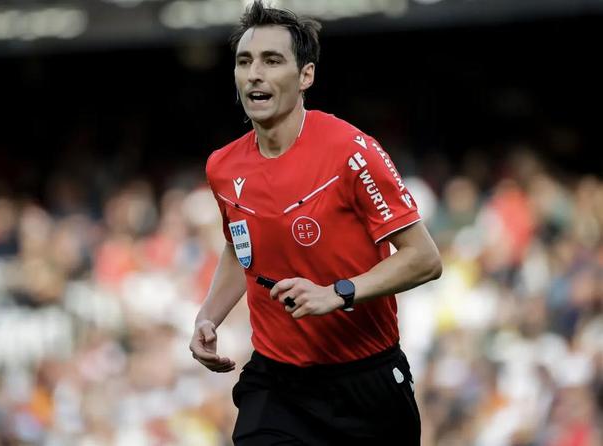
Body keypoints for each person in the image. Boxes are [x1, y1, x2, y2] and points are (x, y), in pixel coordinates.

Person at [189, 1, 442, 444]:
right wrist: (208, 316)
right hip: (277, 384)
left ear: (306, 75)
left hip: (366, 382)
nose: (254, 74)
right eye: (245, 61)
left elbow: (424, 259)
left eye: (272, 61)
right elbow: (240, 246)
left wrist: (337, 293)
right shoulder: (223, 167)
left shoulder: (351, 151)